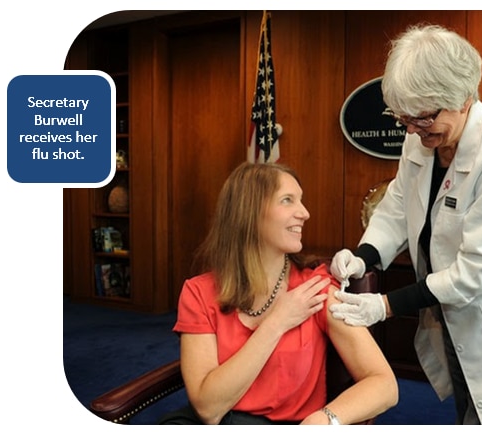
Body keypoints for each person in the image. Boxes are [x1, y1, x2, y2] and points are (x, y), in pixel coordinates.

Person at [329, 24, 482, 425]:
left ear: (463, 99)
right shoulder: (422, 138)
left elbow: (476, 272)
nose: (411, 129)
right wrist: (364, 257)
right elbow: (397, 203)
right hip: (456, 323)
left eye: (422, 118)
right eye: (403, 118)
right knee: (469, 411)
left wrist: (386, 305)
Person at [160, 161, 398, 425]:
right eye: (287, 200)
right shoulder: (199, 292)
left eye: (301, 200)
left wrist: (324, 420)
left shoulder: (315, 289)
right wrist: (277, 322)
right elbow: (208, 408)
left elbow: (385, 385)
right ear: (248, 213)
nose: (305, 213)